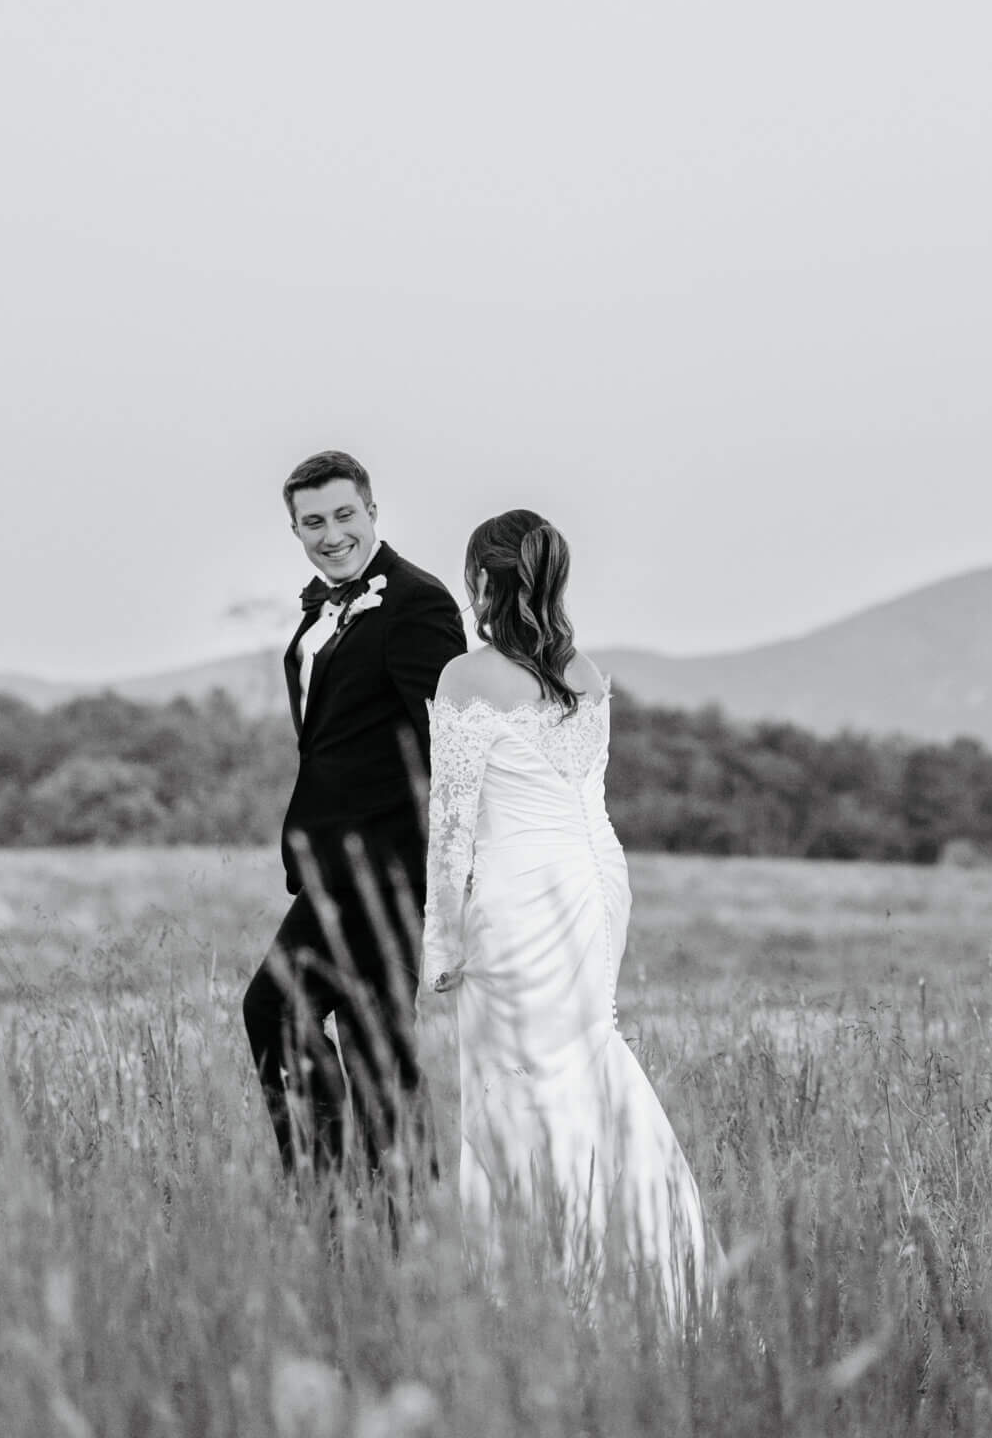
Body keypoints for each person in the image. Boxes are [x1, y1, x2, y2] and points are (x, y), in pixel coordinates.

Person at [421, 508, 707, 1302]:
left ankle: (541, 1278)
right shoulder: (587, 672)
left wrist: (440, 943)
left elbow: (451, 823)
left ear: (482, 579)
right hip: (596, 883)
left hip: (519, 891)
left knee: (520, 1077)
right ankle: (647, 1267)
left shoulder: (465, 678)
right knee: (585, 1054)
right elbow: (595, 802)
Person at [243, 449, 466, 1181]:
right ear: (295, 528)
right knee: (377, 1052)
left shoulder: (416, 603)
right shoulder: (321, 612)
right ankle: (391, 1227)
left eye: (343, 515)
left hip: (388, 871)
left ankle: (336, 1199)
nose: (330, 533)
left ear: (372, 511)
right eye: (312, 522)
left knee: (276, 1011)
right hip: (331, 868)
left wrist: (446, 884)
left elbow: (449, 752)